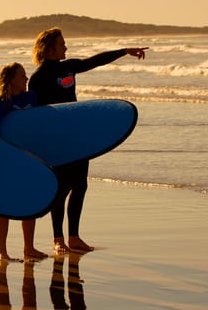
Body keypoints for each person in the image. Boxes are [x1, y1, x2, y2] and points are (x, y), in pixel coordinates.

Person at [28, 27, 148, 253]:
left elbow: (94, 61)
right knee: (61, 188)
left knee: (80, 185)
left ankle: (74, 237)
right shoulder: (38, 78)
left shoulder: (68, 67)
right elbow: (36, 115)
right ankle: (57, 238)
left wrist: (124, 51)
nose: (66, 47)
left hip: (77, 136)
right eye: (62, 43)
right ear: (49, 47)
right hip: (57, 140)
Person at [0, 62, 48, 261]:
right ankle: (1, 250)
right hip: (8, 160)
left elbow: (39, 123)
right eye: (22, 76)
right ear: (12, 79)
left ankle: (29, 247)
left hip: (30, 157)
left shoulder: (32, 97)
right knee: (4, 205)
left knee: (30, 202)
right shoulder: (2, 104)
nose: (26, 79)